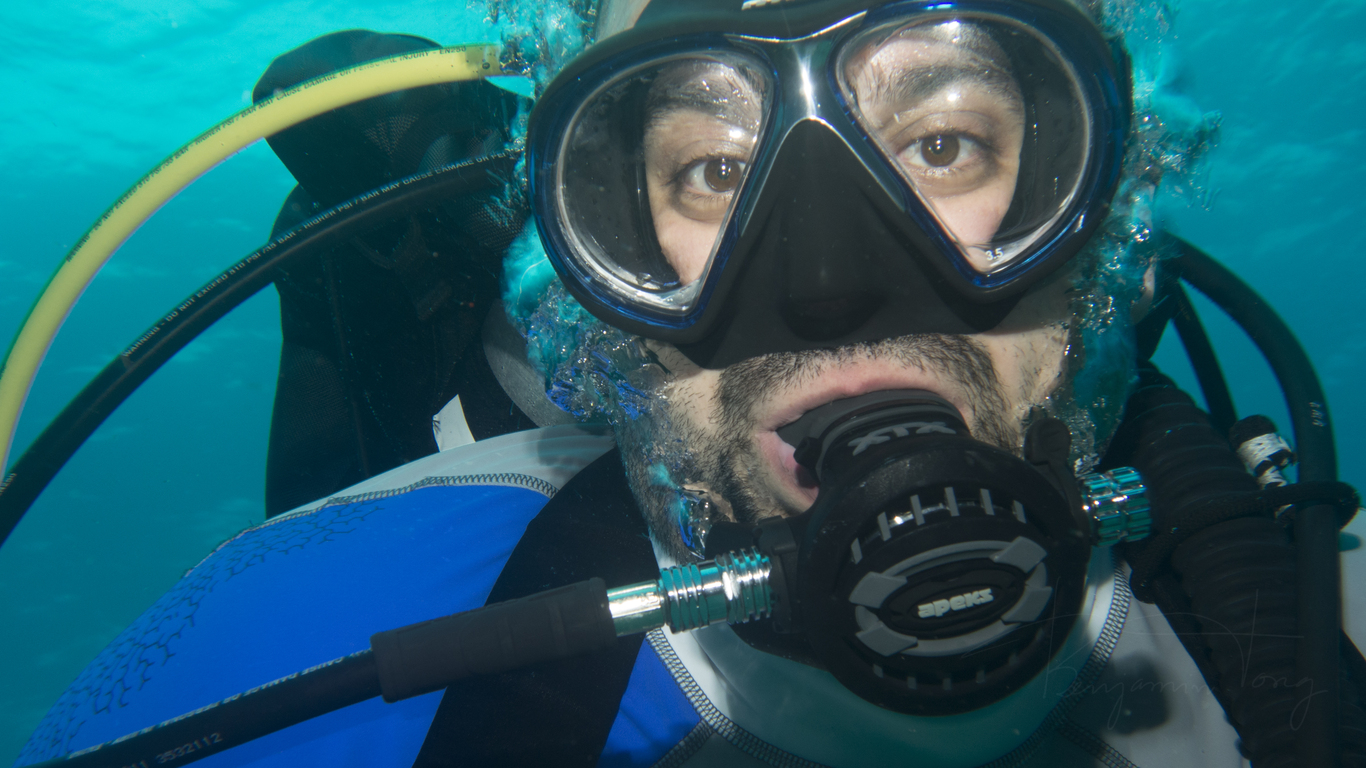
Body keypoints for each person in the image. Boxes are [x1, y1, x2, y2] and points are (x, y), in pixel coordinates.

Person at [15, 0, 1366, 766]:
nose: (827, 281)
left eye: (945, 141)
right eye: (712, 169)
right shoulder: (279, 648)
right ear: (590, 251)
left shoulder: (1322, 607)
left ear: (1103, 202)